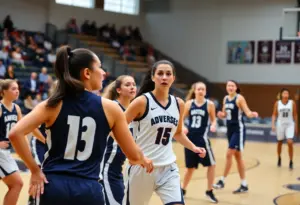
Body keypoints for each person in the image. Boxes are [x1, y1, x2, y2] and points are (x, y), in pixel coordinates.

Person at [9, 46, 153, 205]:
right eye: (99, 67)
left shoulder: (53, 104)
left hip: (54, 187)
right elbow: (133, 156)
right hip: (89, 190)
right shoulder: (111, 108)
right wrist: (143, 159)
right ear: (87, 73)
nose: (103, 72)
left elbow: (15, 134)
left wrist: (35, 170)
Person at [123, 60, 206, 205]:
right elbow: (118, 129)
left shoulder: (179, 104)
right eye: (160, 73)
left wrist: (193, 147)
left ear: (173, 78)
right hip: (142, 168)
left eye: (168, 74)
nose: (164, 77)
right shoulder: (141, 102)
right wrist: (134, 154)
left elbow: (178, 133)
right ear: (153, 77)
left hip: (168, 167)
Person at [0, 79, 44, 205]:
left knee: (16, 184)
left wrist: (44, 140)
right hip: (0, 152)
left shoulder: (16, 108)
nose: (17, 91)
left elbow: (27, 128)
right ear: (3, 92)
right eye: (13, 89)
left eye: (17, 88)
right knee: (17, 184)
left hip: (6, 153)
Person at [213, 80, 258, 193]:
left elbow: (247, 112)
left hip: (239, 130)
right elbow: (224, 114)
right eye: (229, 85)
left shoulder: (239, 98)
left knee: (229, 153)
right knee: (238, 158)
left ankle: (222, 180)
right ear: (226, 87)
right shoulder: (225, 99)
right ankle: (244, 184)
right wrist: (220, 114)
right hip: (230, 130)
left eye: (232, 85)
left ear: (236, 87)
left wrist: (252, 114)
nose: (230, 87)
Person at [100, 75, 137, 205]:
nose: (132, 87)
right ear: (118, 90)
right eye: (127, 85)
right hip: (106, 167)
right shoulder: (113, 107)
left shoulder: (132, 111)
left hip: (118, 168)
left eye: (133, 84)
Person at [181, 82, 218, 203]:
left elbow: (213, 120)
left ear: (205, 91)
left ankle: (209, 191)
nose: (201, 91)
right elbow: (181, 119)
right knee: (190, 168)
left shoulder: (210, 104)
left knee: (211, 165)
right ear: (195, 91)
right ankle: (182, 190)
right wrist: (183, 127)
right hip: (190, 139)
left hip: (203, 140)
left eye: (203, 89)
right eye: (199, 89)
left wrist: (213, 126)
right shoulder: (189, 104)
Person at [272, 88, 297, 169]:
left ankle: (291, 161)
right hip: (280, 124)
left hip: (290, 124)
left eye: (287, 93)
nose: (286, 95)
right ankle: (279, 157)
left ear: (288, 95)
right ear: (281, 95)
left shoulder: (292, 103)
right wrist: (273, 124)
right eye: (284, 93)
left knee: (290, 142)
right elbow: (274, 114)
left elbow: (295, 115)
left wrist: (296, 126)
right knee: (280, 142)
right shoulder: (277, 103)